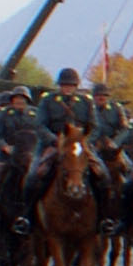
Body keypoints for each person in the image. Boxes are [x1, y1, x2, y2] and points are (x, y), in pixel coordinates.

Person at [20, 67, 117, 234]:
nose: (67, 88)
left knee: (104, 175)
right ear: (59, 85)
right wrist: (54, 140)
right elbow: (40, 125)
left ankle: (105, 218)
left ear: (76, 86)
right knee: (33, 176)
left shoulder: (86, 102)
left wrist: (85, 141)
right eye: (64, 85)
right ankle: (27, 218)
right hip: (52, 145)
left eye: (71, 85)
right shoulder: (48, 101)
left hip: (80, 146)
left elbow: (95, 127)